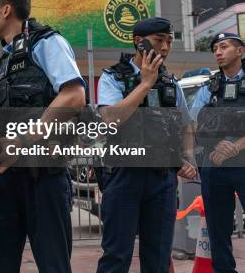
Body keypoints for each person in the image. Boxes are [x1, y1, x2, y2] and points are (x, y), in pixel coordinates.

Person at [0, 0, 86, 273]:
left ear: (6, 10)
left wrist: (20, 141)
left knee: (53, 264)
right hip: (6, 178)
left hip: (43, 177)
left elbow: (74, 96)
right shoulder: (4, 60)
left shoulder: (47, 42)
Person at [95, 17, 197, 273]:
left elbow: (186, 125)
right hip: (124, 174)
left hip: (162, 179)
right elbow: (111, 119)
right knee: (117, 255)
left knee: (159, 256)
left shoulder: (172, 83)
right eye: (159, 40)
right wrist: (145, 84)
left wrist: (186, 158)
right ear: (138, 42)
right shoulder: (113, 77)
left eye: (170, 41)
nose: (165, 47)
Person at [191, 32, 245, 273]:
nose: (218, 52)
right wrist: (216, 147)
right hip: (215, 166)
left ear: (240, 50)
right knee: (218, 229)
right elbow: (193, 124)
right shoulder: (208, 87)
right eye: (215, 49)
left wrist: (236, 146)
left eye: (223, 47)